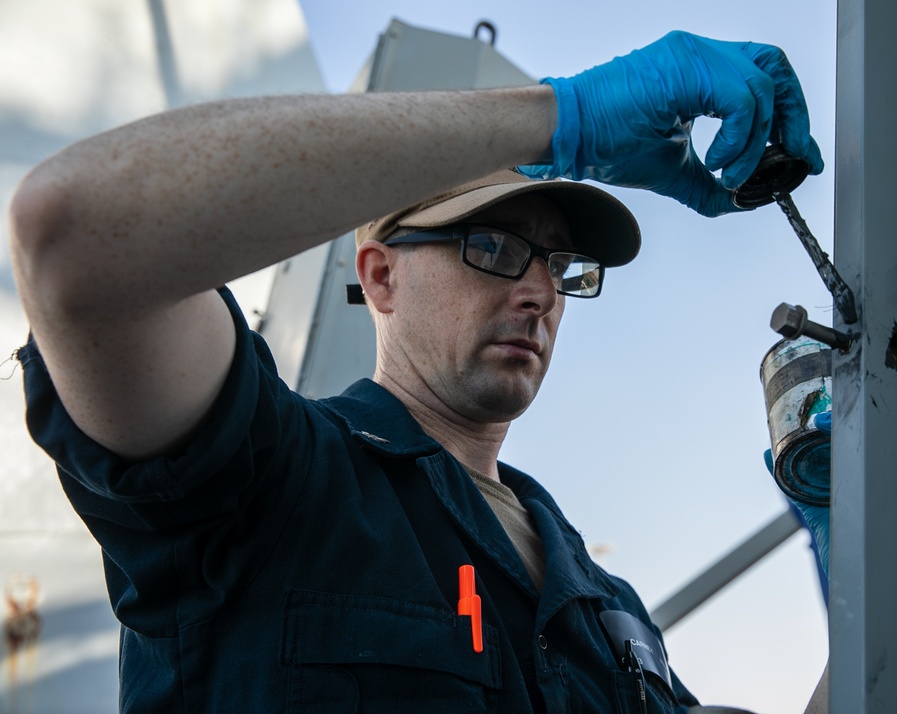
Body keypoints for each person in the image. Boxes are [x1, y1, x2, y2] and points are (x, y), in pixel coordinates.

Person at [11, 30, 823, 713]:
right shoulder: (275, 480)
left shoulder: (605, 606)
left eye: (561, 265)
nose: (541, 291)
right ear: (380, 277)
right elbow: (78, 230)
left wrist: (873, 574)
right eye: (494, 248)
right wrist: (555, 119)